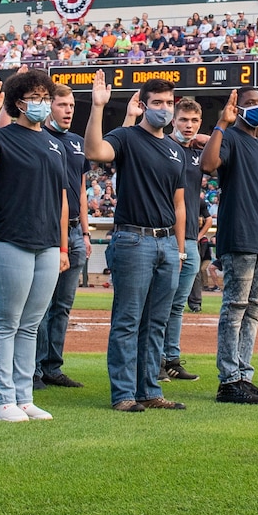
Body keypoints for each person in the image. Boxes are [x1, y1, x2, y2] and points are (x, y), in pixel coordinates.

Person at [0, 70, 71, 421]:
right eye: (34, 97)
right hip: (9, 239)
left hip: (46, 243)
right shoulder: (3, 136)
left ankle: (24, 396)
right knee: (7, 321)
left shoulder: (56, 143)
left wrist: (62, 245)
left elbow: (61, 196)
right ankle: (3, 400)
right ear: (18, 102)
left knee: (30, 324)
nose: (41, 103)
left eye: (45, 96)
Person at [81, 71, 187, 412]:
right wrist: (98, 107)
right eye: (157, 103)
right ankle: (124, 394)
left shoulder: (176, 150)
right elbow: (95, 150)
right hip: (134, 238)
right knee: (128, 319)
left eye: (169, 103)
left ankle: (149, 390)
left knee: (157, 322)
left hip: (167, 242)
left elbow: (179, 203)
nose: (165, 109)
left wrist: (180, 248)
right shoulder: (126, 137)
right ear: (142, 106)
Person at [200, 86, 258, 404]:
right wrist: (221, 123)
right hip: (239, 235)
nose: (257, 107)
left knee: (253, 311)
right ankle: (229, 381)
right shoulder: (230, 137)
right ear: (238, 108)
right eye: (250, 103)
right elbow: (207, 164)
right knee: (234, 309)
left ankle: (244, 376)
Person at [34, 80, 90, 389]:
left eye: (71, 106)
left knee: (63, 306)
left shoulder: (78, 142)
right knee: (40, 305)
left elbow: (80, 190)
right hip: (47, 231)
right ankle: (35, 368)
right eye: (62, 105)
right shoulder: (40, 137)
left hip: (74, 233)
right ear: (49, 106)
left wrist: (85, 229)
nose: (68, 111)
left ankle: (53, 366)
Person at [159, 97, 210, 383]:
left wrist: (210, 136)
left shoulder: (198, 152)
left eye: (194, 121)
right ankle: (156, 361)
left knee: (177, 305)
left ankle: (172, 360)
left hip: (191, 236)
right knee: (161, 303)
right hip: (166, 235)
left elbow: (222, 152)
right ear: (173, 120)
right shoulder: (164, 146)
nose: (188, 125)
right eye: (183, 120)